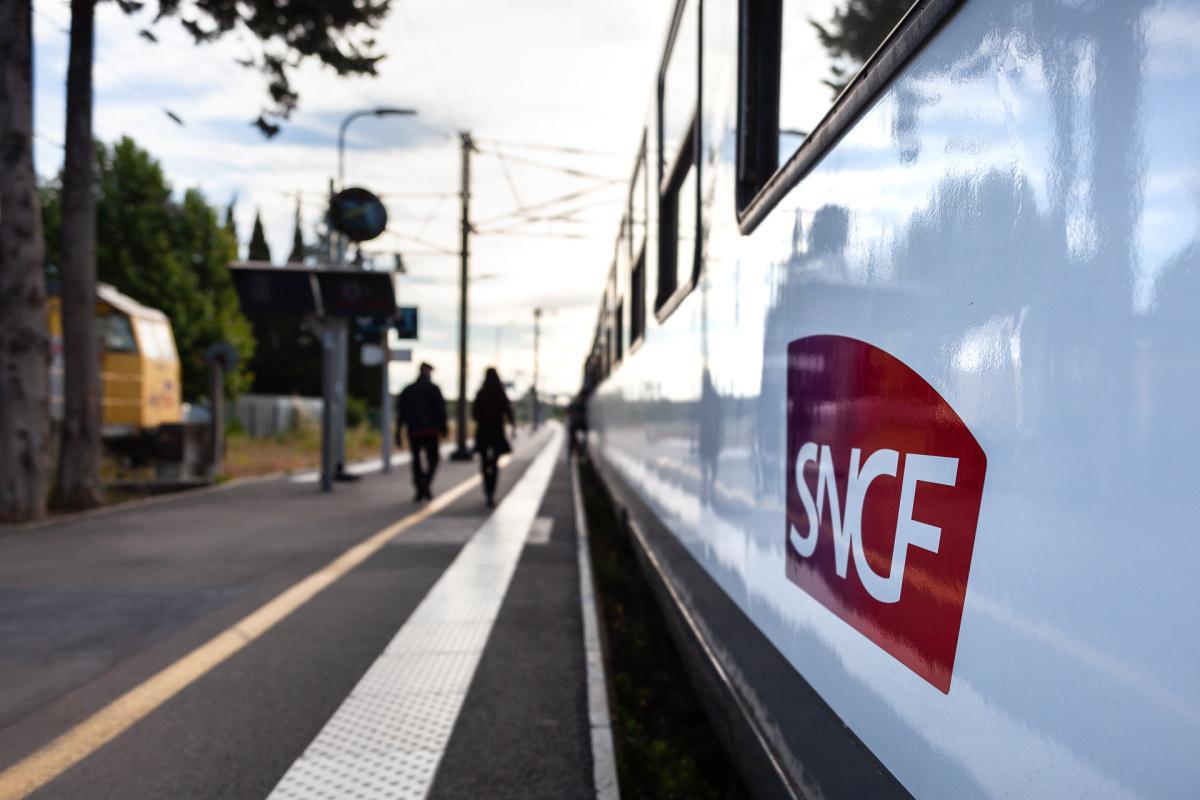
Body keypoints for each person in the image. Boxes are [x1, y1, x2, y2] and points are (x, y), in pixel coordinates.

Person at [395, 362, 448, 502]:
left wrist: (398, 432)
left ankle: (420, 486)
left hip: (414, 431)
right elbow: (441, 410)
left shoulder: (408, 389)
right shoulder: (434, 389)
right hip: (431, 431)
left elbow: (401, 413)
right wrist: (444, 428)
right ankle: (426, 482)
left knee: (416, 459)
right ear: (427, 372)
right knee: (434, 459)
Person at [471, 367, 515, 507]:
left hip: (483, 432)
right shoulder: (500, 393)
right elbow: (508, 411)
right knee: (495, 462)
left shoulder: (481, 393)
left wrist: (482, 420)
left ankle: (486, 489)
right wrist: (512, 425)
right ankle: (491, 492)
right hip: (497, 432)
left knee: (484, 462)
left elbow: (475, 413)